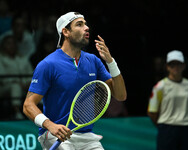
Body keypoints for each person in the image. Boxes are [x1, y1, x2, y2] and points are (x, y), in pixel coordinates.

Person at [23, 12, 127, 150]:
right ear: (65, 32)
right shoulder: (48, 64)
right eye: (79, 24)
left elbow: (121, 95)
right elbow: (28, 105)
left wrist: (111, 62)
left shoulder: (93, 61)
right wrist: (50, 125)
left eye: (85, 24)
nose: (86, 28)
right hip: (56, 135)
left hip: (87, 136)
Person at [147, 50, 188, 150]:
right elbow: (152, 112)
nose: (176, 67)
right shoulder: (160, 87)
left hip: (187, 129)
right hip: (167, 129)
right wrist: (165, 126)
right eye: (172, 64)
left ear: (184, 66)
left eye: (179, 64)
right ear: (167, 67)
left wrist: (183, 120)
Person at [0, 35, 33, 119]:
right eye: (8, 43)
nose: (11, 46)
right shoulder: (1, 59)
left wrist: (27, 83)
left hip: (25, 87)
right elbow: (3, 78)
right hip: (5, 88)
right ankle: (17, 112)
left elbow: (31, 74)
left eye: (13, 43)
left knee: (37, 88)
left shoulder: (23, 59)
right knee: (16, 87)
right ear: (3, 45)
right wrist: (18, 83)